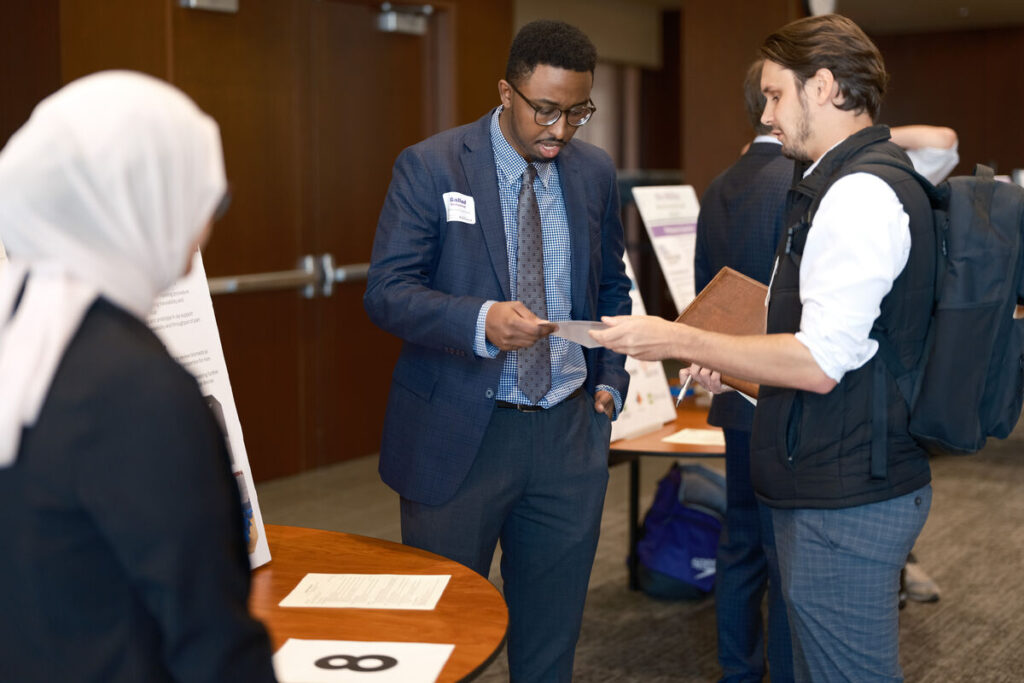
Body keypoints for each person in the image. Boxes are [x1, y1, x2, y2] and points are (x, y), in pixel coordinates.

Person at [593, 14, 934, 681]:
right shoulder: (852, 180)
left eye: (776, 95)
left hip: (846, 492)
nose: (767, 115)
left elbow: (819, 362)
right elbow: (846, 348)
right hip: (844, 475)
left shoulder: (858, 194)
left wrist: (677, 335)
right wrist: (733, 368)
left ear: (824, 87)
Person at [363, 19, 631, 681]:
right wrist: (480, 320)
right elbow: (387, 292)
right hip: (459, 434)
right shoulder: (432, 166)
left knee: (550, 643)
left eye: (578, 113)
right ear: (506, 93)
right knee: (443, 641)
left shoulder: (594, 171)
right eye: (546, 110)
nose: (560, 130)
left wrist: (609, 379)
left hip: (568, 434)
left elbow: (611, 285)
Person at [0, 71, 276, 683]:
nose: (205, 228)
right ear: (139, 202)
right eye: (206, 201)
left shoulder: (22, 337)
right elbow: (208, 633)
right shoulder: (137, 388)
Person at [695, 60, 794, 683]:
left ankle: (738, 671)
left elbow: (706, 292)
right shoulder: (803, 180)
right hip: (787, 393)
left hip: (732, 390)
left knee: (740, 543)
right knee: (786, 556)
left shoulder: (717, 187)